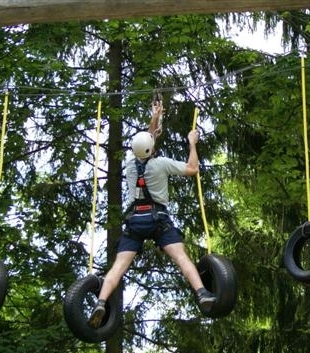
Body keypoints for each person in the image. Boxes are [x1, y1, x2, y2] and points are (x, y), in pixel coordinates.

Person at [88, 101, 216, 328]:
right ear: (151, 149)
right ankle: (202, 293)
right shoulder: (161, 164)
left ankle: (101, 302)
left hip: (135, 221)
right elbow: (192, 169)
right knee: (181, 257)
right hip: (158, 220)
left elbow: (147, 140)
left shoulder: (130, 164)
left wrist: (155, 117)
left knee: (118, 267)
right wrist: (192, 144)